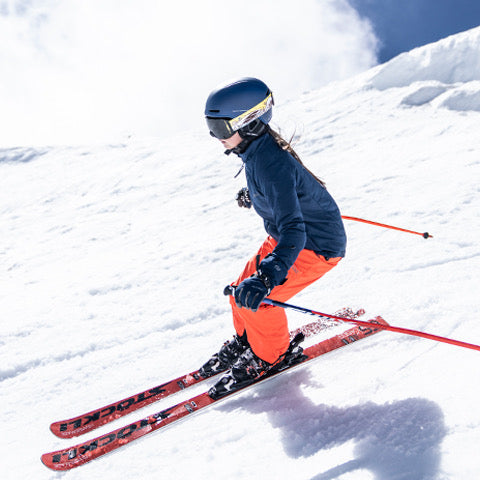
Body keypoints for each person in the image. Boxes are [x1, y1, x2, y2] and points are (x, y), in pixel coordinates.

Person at [200, 77, 346, 399]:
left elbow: (295, 229)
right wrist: (253, 193)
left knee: (260, 299)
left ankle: (270, 356)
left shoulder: (270, 163)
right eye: (211, 127)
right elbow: (280, 193)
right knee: (240, 289)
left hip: (314, 245)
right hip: (290, 237)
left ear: (248, 123)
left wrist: (267, 277)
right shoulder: (255, 151)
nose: (215, 137)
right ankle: (250, 340)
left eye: (221, 129)